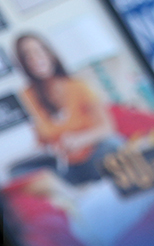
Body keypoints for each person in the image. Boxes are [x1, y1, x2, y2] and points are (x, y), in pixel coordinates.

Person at [13, 33, 121, 186]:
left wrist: (79, 140)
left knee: (113, 144)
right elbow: (39, 141)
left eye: (38, 51)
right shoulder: (25, 96)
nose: (34, 59)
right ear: (23, 64)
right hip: (62, 168)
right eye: (27, 56)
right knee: (17, 172)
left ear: (49, 54)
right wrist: (51, 148)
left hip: (92, 156)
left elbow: (107, 128)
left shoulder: (78, 86)